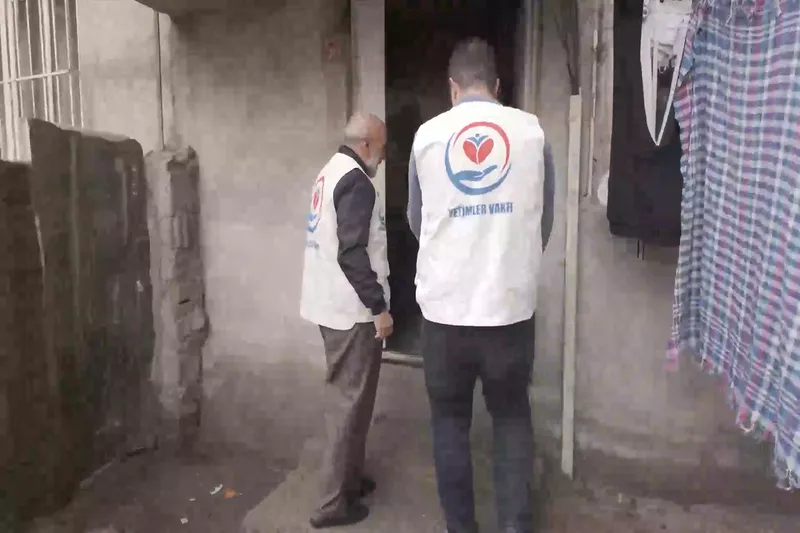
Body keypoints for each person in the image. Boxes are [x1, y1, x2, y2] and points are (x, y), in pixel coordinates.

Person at [406, 38, 555, 533]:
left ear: (453, 88)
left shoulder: (427, 137)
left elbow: (416, 221)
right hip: (508, 313)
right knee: (511, 418)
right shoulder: (531, 132)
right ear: (497, 85)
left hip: (444, 315)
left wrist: (454, 250)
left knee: (449, 423)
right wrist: (508, 258)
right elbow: (544, 222)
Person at [300, 112, 394, 529]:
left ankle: (349, 480)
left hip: (330, 304)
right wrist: (379, 307)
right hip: (350, 311)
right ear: (367, 143)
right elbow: (352, 252)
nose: (384, 157)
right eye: (383, 147)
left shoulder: (330, 172)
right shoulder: (356, 182)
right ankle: (332, 503)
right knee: (348, 405)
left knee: (353, 402)